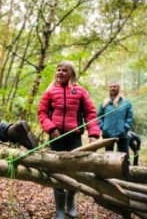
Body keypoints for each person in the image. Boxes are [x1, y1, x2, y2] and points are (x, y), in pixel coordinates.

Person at [38, 61, 100, 219]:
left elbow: (91, 114)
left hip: (74, 137)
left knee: (74, 170)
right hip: (56, 136)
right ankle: (59, 208)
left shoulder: (80, 92)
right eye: (58, 70)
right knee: (57, 170)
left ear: (71, 73)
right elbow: (42, 112)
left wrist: (93, 134)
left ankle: (70, 201)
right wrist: (51, 129)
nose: (59, 72)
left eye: (64, 70)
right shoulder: (50, 91)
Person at [97, 81, 134, 163]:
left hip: (122, 134)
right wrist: (103, 127)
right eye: (111, 87)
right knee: (108, 156)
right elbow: (99, 116)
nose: (112, 88)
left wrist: (126, 127)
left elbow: (130, 117)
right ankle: (108, 173)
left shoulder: (126, 102)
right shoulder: (104, 102)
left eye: (115, 86)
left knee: (124, 156)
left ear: (119, 88)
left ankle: (126, 173)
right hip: (107, 134)